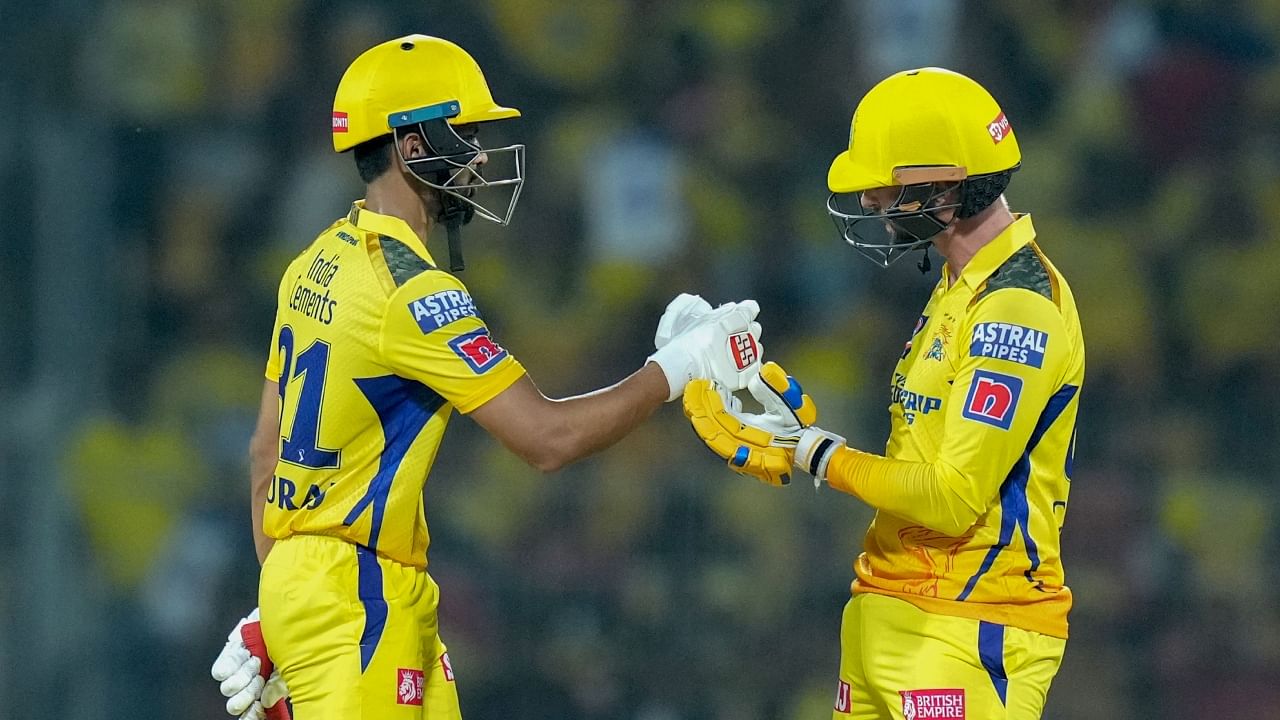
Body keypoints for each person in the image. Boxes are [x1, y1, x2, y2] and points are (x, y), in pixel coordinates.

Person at [208, 35, 766, 720]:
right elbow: (547, 439)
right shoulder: (410, 289)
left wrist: (279, 608)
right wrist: (679, 368)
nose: (477, 157)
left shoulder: (313, 263)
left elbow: (266, 452)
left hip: (334, 585)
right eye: (465, 134)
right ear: (413, 147)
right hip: (359, 598)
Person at [685, 67, 1085, 719]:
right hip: (892, 607)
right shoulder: (965, 287)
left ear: (947, 186)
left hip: (967, 625)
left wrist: (813, 453)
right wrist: (795, 431)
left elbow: (953, 499)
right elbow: (921, 456)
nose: (871, 201)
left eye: (886, 185)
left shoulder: (1016, 310)